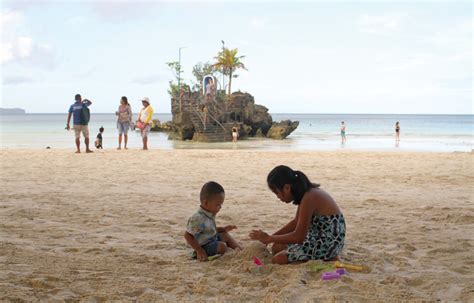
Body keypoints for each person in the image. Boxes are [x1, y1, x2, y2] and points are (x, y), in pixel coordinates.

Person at [249, 165, 346, 265]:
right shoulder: (306, 194)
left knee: (278, 259)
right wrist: (270, 238)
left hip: (328, 243)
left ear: (287, 188)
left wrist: (270, 238)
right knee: (277, 246)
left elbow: (299, 237)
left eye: (277, 192)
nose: (278, 197)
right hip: (318, 237)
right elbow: (296, 222)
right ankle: (321, 257)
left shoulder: (310, 197)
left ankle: (328, 257)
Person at [184, 181, 242, 262]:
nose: (220, 207)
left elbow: (208, 230)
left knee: (225, 235)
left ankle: (241, 250)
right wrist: (199, 250)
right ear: (206, 203)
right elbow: (188, 235)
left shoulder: (209, 214)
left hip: (211, 240)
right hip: (202, 246)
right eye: (218, 205)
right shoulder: (198, 218)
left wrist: (223, 229)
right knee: (222, 247)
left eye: (221, 205)